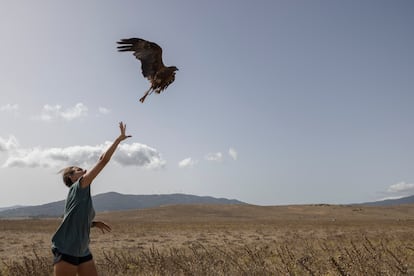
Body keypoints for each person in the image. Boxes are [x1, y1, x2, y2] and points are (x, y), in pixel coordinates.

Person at [51, 122, 131, 276]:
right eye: (79, 170)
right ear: (71, 177)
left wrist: (92, 223)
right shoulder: (79, 185)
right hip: (67, 248)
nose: (85, 170)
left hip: (82, 249)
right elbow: (103, 160)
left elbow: (74, 219)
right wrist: (118, 140)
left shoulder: (80, 194)